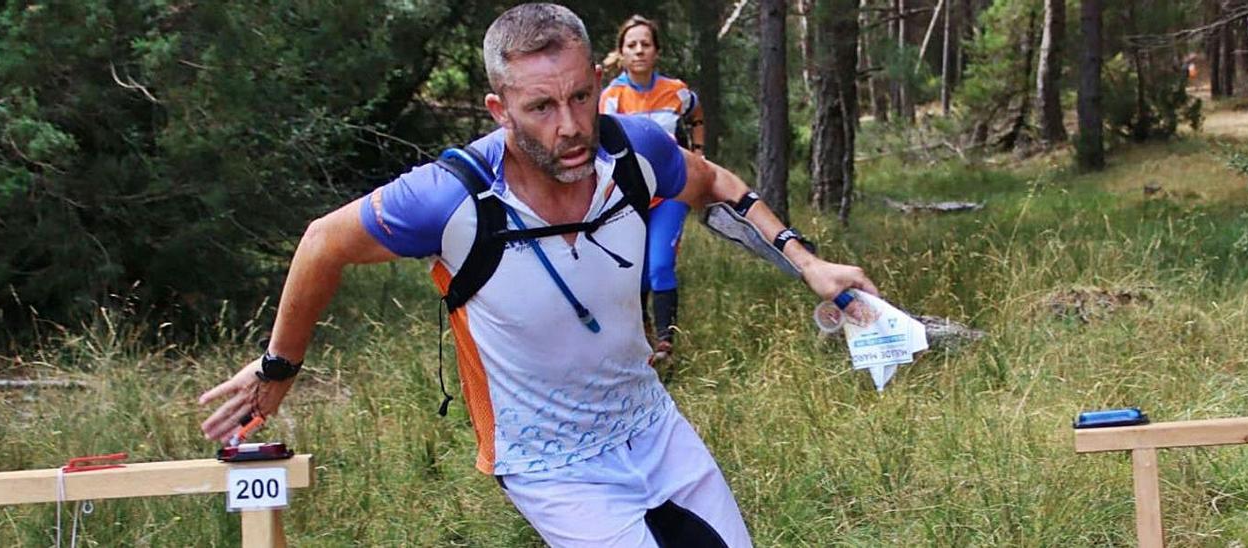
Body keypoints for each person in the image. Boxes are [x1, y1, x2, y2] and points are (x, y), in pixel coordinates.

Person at [197, 4, 876, 546]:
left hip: (650, 422)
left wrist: (807, 262)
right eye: (541, 108)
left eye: (583, 98)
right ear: (499, 110)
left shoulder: (631, 152)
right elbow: (322, 242)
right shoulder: (450, 196)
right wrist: (278, 370)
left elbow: (717, 186)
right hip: (547, 460)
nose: (571, 126)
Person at [599, 15, 704, 364]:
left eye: (646, 44)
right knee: (636, 269)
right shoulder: (612, 96)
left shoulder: (675, 91)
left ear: (656, 51)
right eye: (632, 45)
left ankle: (665, 345)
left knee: (660, 265)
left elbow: (696, 111)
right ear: (622, 52)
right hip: (630, 195)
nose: (639, 50)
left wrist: (699, 155)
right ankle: (642, 336)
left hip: (671, 191)